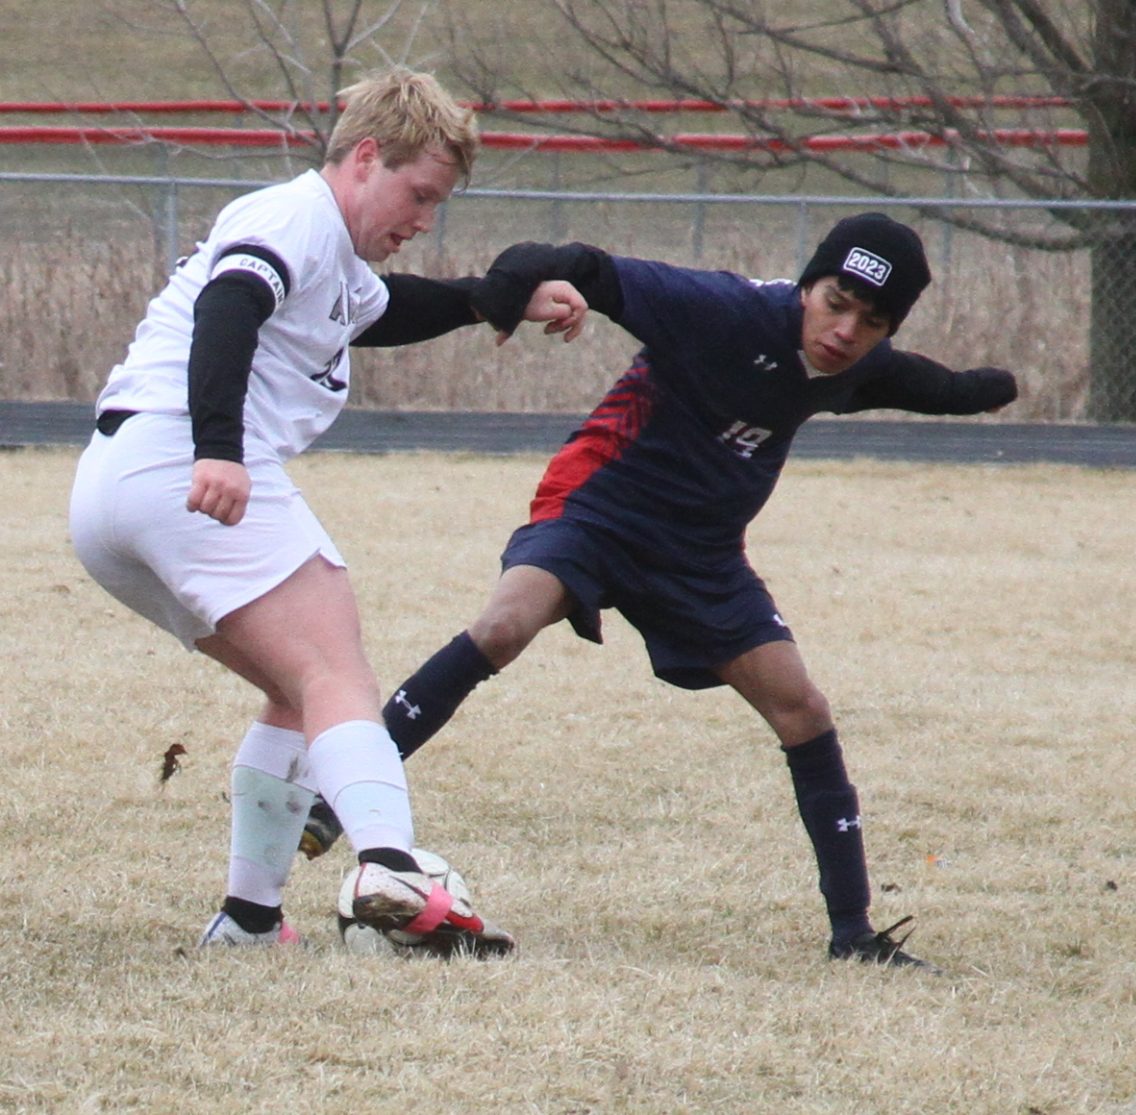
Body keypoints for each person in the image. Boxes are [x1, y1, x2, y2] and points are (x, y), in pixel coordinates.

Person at [302, 212, 1018, 970]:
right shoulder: (722, 308)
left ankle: (854, 936)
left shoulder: (855, 370)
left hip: (700, 554)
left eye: (870, 322)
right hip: (600, 505)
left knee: (802, 710)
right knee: (505, 627)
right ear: (808, 285)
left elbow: (932, 386)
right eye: (835, 301)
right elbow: (581, 262)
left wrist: (985, 390)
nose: (844, 329)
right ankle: (339, 798)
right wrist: (508, 291)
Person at [68, 67, 587, 953]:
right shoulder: (291, 215)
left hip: (113, 492)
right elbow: (230, 306)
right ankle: (392, 866)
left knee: (293, 690)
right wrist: (221, 448)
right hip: (177, 459)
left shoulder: (332, 256)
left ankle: (250, 918)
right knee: (335, 674)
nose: (421, 217)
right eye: (418, 193)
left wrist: (490, 300)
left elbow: (382, 312)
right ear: (366, 157)